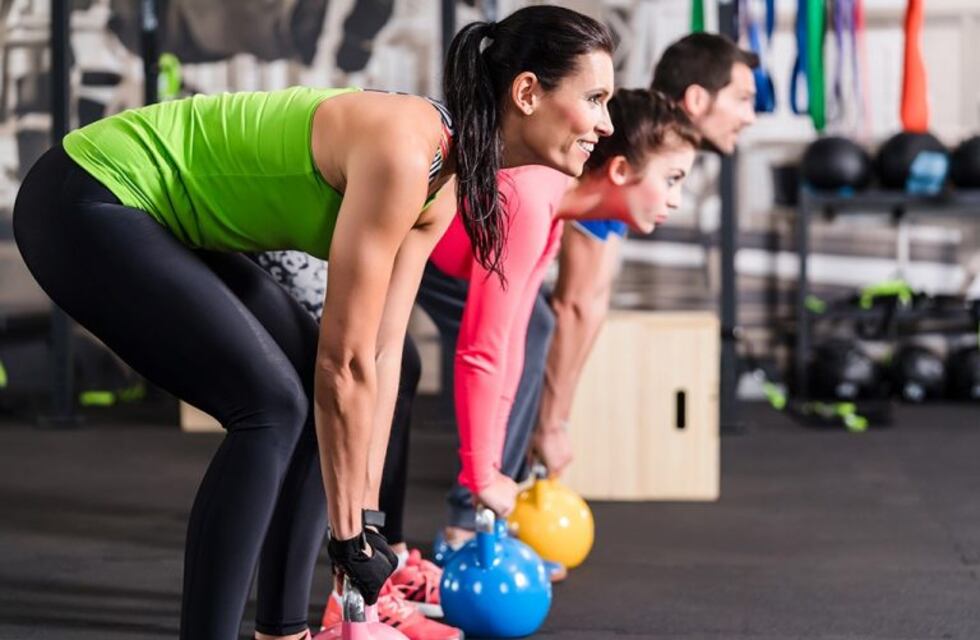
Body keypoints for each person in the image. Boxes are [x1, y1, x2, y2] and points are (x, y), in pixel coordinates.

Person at [11, 5, 615, 640]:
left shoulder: (446, 183)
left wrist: (368, 518)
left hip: (176, 222)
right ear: (527, 92)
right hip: (89, 194)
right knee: (273, 407)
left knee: (303, 395)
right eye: (595, 98)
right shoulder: (409, 152)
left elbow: (381, 357)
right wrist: (347, 532)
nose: (605, 124)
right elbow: (344, 362)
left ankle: (282, 629)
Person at [260, 89, 699, 636]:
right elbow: (481, 351)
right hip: (313, 236)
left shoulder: (554, 210)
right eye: (674, 179)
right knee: (338, 399)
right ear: (617, 171)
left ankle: (382, 566)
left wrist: (489, 470)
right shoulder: (533, 198)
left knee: (404, 374)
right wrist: (478, 475)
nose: (678, 199)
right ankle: (317, 609)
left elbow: (511, 346)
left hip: (398, 245)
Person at [531, 32, 759, 482]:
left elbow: (590, 299)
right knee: (533, 329)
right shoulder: (632, 151)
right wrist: (553, 424)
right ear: (697, 98)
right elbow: (576, 302)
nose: (750, 117)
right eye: (743, 99)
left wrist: (558, 420)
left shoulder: (650, 147)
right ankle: (471, 514)